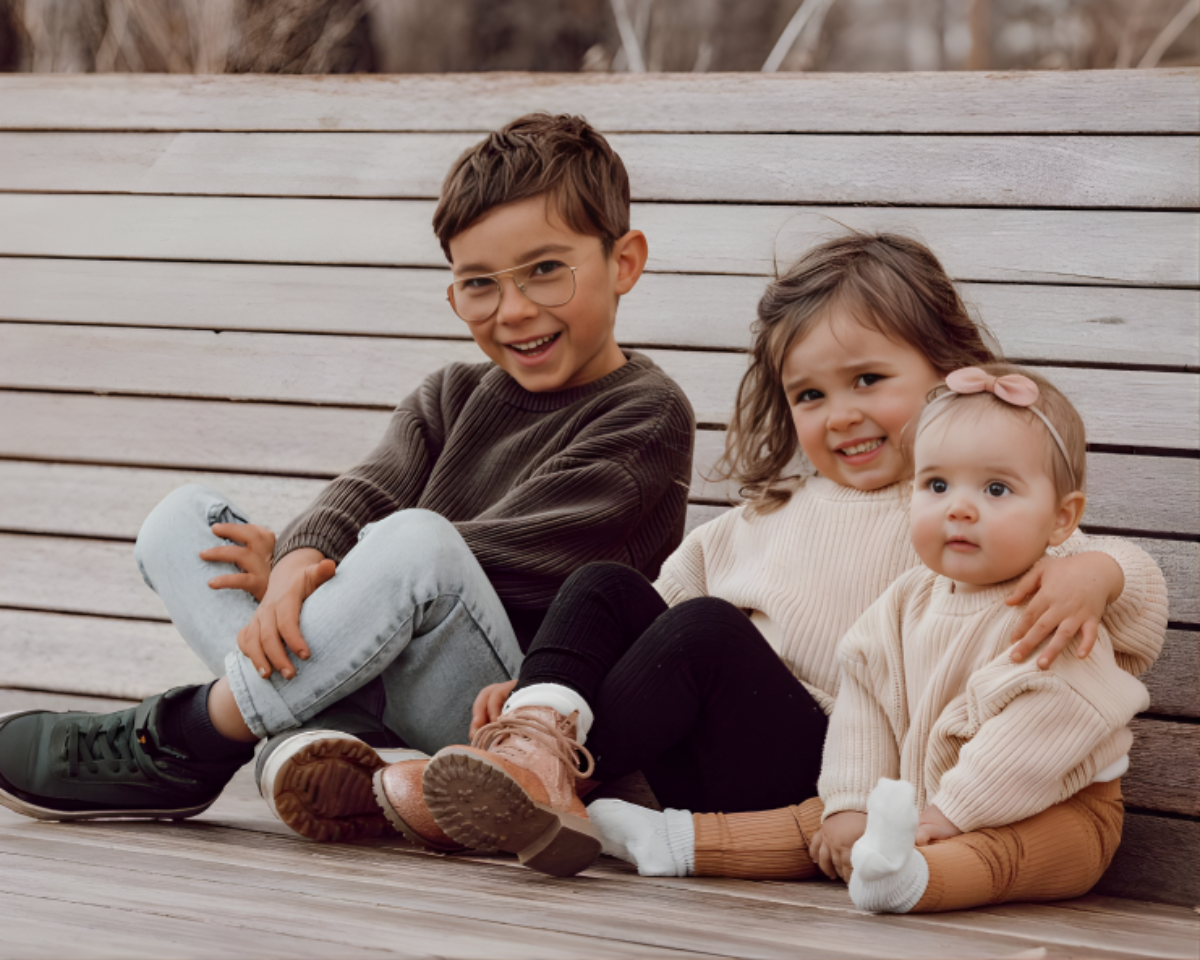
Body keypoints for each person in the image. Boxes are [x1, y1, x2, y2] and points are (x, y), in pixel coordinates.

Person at [0, 114, 695, 848]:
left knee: (418, 542)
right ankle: (335, 749)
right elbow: (365, 488)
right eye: (480, 284)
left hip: (506, 707)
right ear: (453, 293)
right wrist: (298, 563)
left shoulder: (647, 415)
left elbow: (516, 556)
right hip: (371, 656)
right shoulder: (451, 394)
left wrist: (332, 580)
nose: (514, 309)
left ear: (623, 261)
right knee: (183, 523)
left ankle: (192, 734)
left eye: (546, 270)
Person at [406, 234, 1166, 879]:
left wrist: (1092, 574)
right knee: (604, 588)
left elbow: (1134, 592)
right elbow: (649, 641)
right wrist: (556, 685)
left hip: (835, 778)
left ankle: (514, 793)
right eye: (810, 396)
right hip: (701, 762)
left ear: (946, 369)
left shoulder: (968, 515)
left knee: (705, 632)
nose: (842, 417)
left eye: (868, 380)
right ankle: (535, 744)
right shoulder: (759, 518)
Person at [602, 365, 1165, 914]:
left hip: (1051, 808)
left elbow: (1031, 743)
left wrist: (947, 815)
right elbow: (862, 708)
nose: (960, 507)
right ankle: (678, 843)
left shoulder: (1050, 611)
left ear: (1062, 519)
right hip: (921, 801)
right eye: (937, 484)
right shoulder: (904, 601)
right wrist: (850, 806)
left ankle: (908, 881)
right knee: (818, 825)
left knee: (999, 854)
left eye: (996, 489)